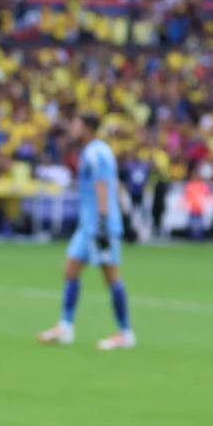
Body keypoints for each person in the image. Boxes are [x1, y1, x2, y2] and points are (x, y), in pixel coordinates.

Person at [38, 113, 135, 350]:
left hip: (100, 225)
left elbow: (102, 185)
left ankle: (125, 333)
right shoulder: (94, 151)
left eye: (76, 124)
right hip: (87, 226)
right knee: (70, 270)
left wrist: (102, 221)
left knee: (111, 277)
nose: (73, 128)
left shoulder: (96, 153)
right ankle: (66, 327)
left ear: (87, 128)